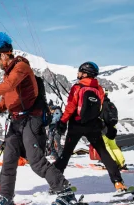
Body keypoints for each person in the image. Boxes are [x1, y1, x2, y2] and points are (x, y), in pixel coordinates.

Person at [0, 32, 77, 205]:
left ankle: (65, 192)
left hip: (31, 120)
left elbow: (9, 86)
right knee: (9, 161)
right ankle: (5, 197)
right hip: (16, 122)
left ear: (4, 54)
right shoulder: (8, 73)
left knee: (36, 161)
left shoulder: (20, 67)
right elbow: (7, 100)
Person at [53, 62, 128, 192]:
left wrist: (63, 122)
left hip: (76, 124)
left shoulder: (77, 87)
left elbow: (71, 107)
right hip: (93, 125)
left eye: (80, 71)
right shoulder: (99, 89)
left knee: (66, 154)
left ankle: (56, 183)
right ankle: (118, 182)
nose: (78, 74)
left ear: (85, 73)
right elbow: (101, 108)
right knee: (104, 154)